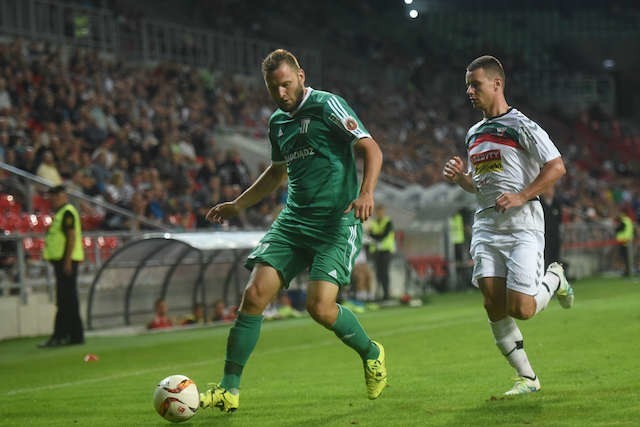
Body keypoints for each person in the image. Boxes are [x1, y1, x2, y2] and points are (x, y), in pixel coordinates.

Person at [199, 48, 387, 414]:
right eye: (273, 88)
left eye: (286, 84)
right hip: (293, 222)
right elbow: (276, 171)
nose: (281, 93)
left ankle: (372, 352)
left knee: (320, 307)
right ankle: (228, 389)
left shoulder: (328, 105)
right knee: (253, 296)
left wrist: (367, 193)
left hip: (336, 221)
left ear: (301, 75)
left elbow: (371, 147)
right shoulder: (277, 123)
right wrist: (238, 204)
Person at [442, 55, 574, 395]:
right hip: (486, 225)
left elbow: (556, 166)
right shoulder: (474, 134)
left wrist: (522, 194)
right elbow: (482, 184)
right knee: (491, 300)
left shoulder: (521, 125)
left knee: (522, 309)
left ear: (497, 84)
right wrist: (462, 179)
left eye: (476, 85)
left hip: (523, 224)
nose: (470, 91)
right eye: (467, 86)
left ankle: (555, 277)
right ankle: (527, 378)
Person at [39, 185, 85, 347]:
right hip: (65, 261)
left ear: (63, 196)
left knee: (65, 299)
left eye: (55, 196)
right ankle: (74, 335)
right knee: (69, 299)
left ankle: (60, 335)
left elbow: (71, 238)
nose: (53, 200)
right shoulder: (62, 213)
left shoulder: (66, 212)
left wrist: (67, 261)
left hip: (66, 261)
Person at [368, 204, 396, 301]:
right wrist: (375, 235)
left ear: (383, 212)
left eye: (381, 211)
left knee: (384, 273)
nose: (379, 213)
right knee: (378, 273)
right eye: (378, 211)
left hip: (386, 250)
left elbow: (383, 235)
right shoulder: (374, 222)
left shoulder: (388, 222)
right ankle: (379, 294)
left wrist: (375, 235)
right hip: (376, 251)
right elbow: (370, 234)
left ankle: (386, 294)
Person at [540, 185, 563, 269]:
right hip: (543, 235)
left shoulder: (556, 203)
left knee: (555, 257)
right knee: (545, 257)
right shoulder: (540, 203)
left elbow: (560, 218)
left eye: (551, 189)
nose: (550, 192)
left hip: (555, 235)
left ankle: (556, 276)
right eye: (547, 189)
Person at [614, 211, 634, 277]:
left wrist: (616, 227)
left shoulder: (624, 221)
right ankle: (627, 271)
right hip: (625, 241)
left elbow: (619, 229)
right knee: (626, 258)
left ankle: (627, 272)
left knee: (626, 258)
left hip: (624, 241)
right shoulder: (627, 221)